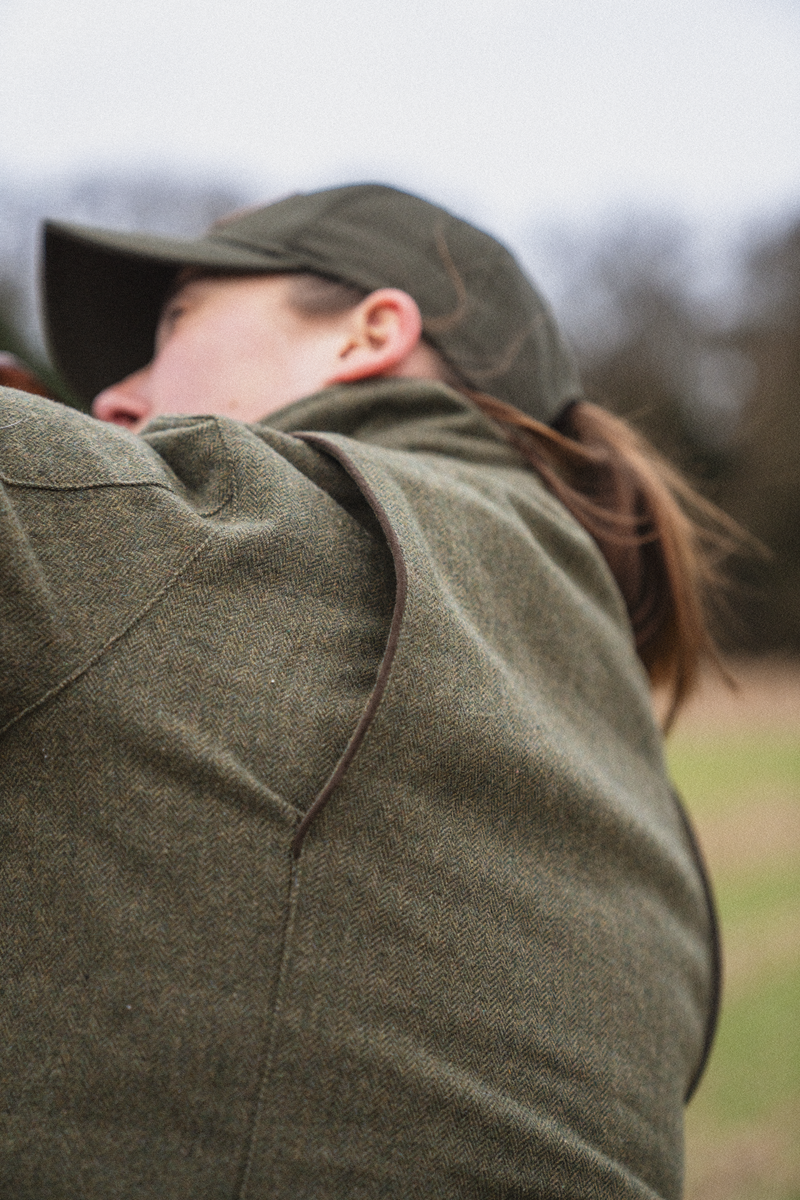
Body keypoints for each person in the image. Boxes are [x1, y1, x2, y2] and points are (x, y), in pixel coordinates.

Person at [1, 183, 721, 1199]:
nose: (112, 397)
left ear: (368, 334)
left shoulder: (210, 525)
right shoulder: (634, 775)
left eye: (175, 322)